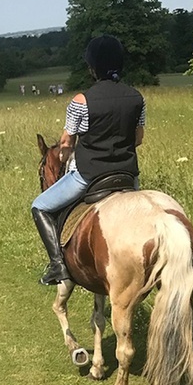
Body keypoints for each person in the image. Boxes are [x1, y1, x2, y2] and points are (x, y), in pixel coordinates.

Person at [30, 35, 146, 285]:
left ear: (93, 67)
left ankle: (57, 266)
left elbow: (66, 143)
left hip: (89, 175)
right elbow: (138, 139)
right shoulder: (137, 97)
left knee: (39, 206)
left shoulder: (81, 101)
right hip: (128, 174)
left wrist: (63, 153)